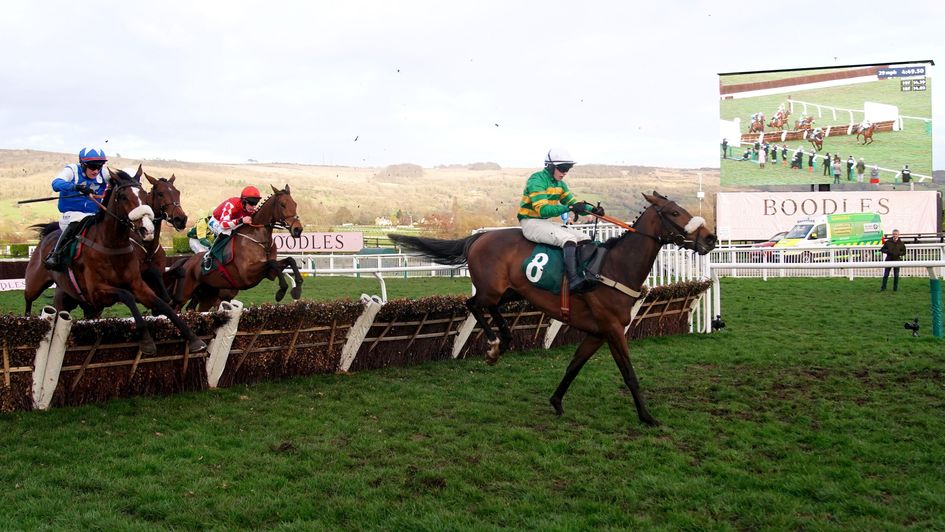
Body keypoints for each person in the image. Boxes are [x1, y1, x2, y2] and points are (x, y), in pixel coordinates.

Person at [518, 148, 603, 291]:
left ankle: (585, 273)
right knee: (568, 239)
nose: (565, 173)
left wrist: (593, 210)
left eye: (568, 169)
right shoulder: (537, 180)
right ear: (550, 166)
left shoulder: (561, 185)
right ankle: (573, 280)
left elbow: (574, 204)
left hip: (545, 223)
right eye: (563, 168)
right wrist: (569, 207)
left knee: (585, 238)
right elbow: (543, 210)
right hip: (530, 222)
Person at [43, 147, 110, 270]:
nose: (96, 171)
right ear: (82, 164)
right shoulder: (72, 170)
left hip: (94, 216)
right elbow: (56, 184)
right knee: (79, 218)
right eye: (92, 167)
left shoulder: (103, 173)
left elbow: (121, 181)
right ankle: (55, 255)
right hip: (70, 215)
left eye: (99, 166)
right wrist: (76, 187)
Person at [204, 185, 263, 269]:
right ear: (244, 201)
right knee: (225, 232)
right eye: (251, 203)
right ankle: (209, 255)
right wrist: (241, 220)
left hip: (232, 222)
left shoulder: (250, 209)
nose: (253, 206)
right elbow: (223, 224)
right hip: (216, 221)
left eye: (255, 203)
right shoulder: (231, 204)